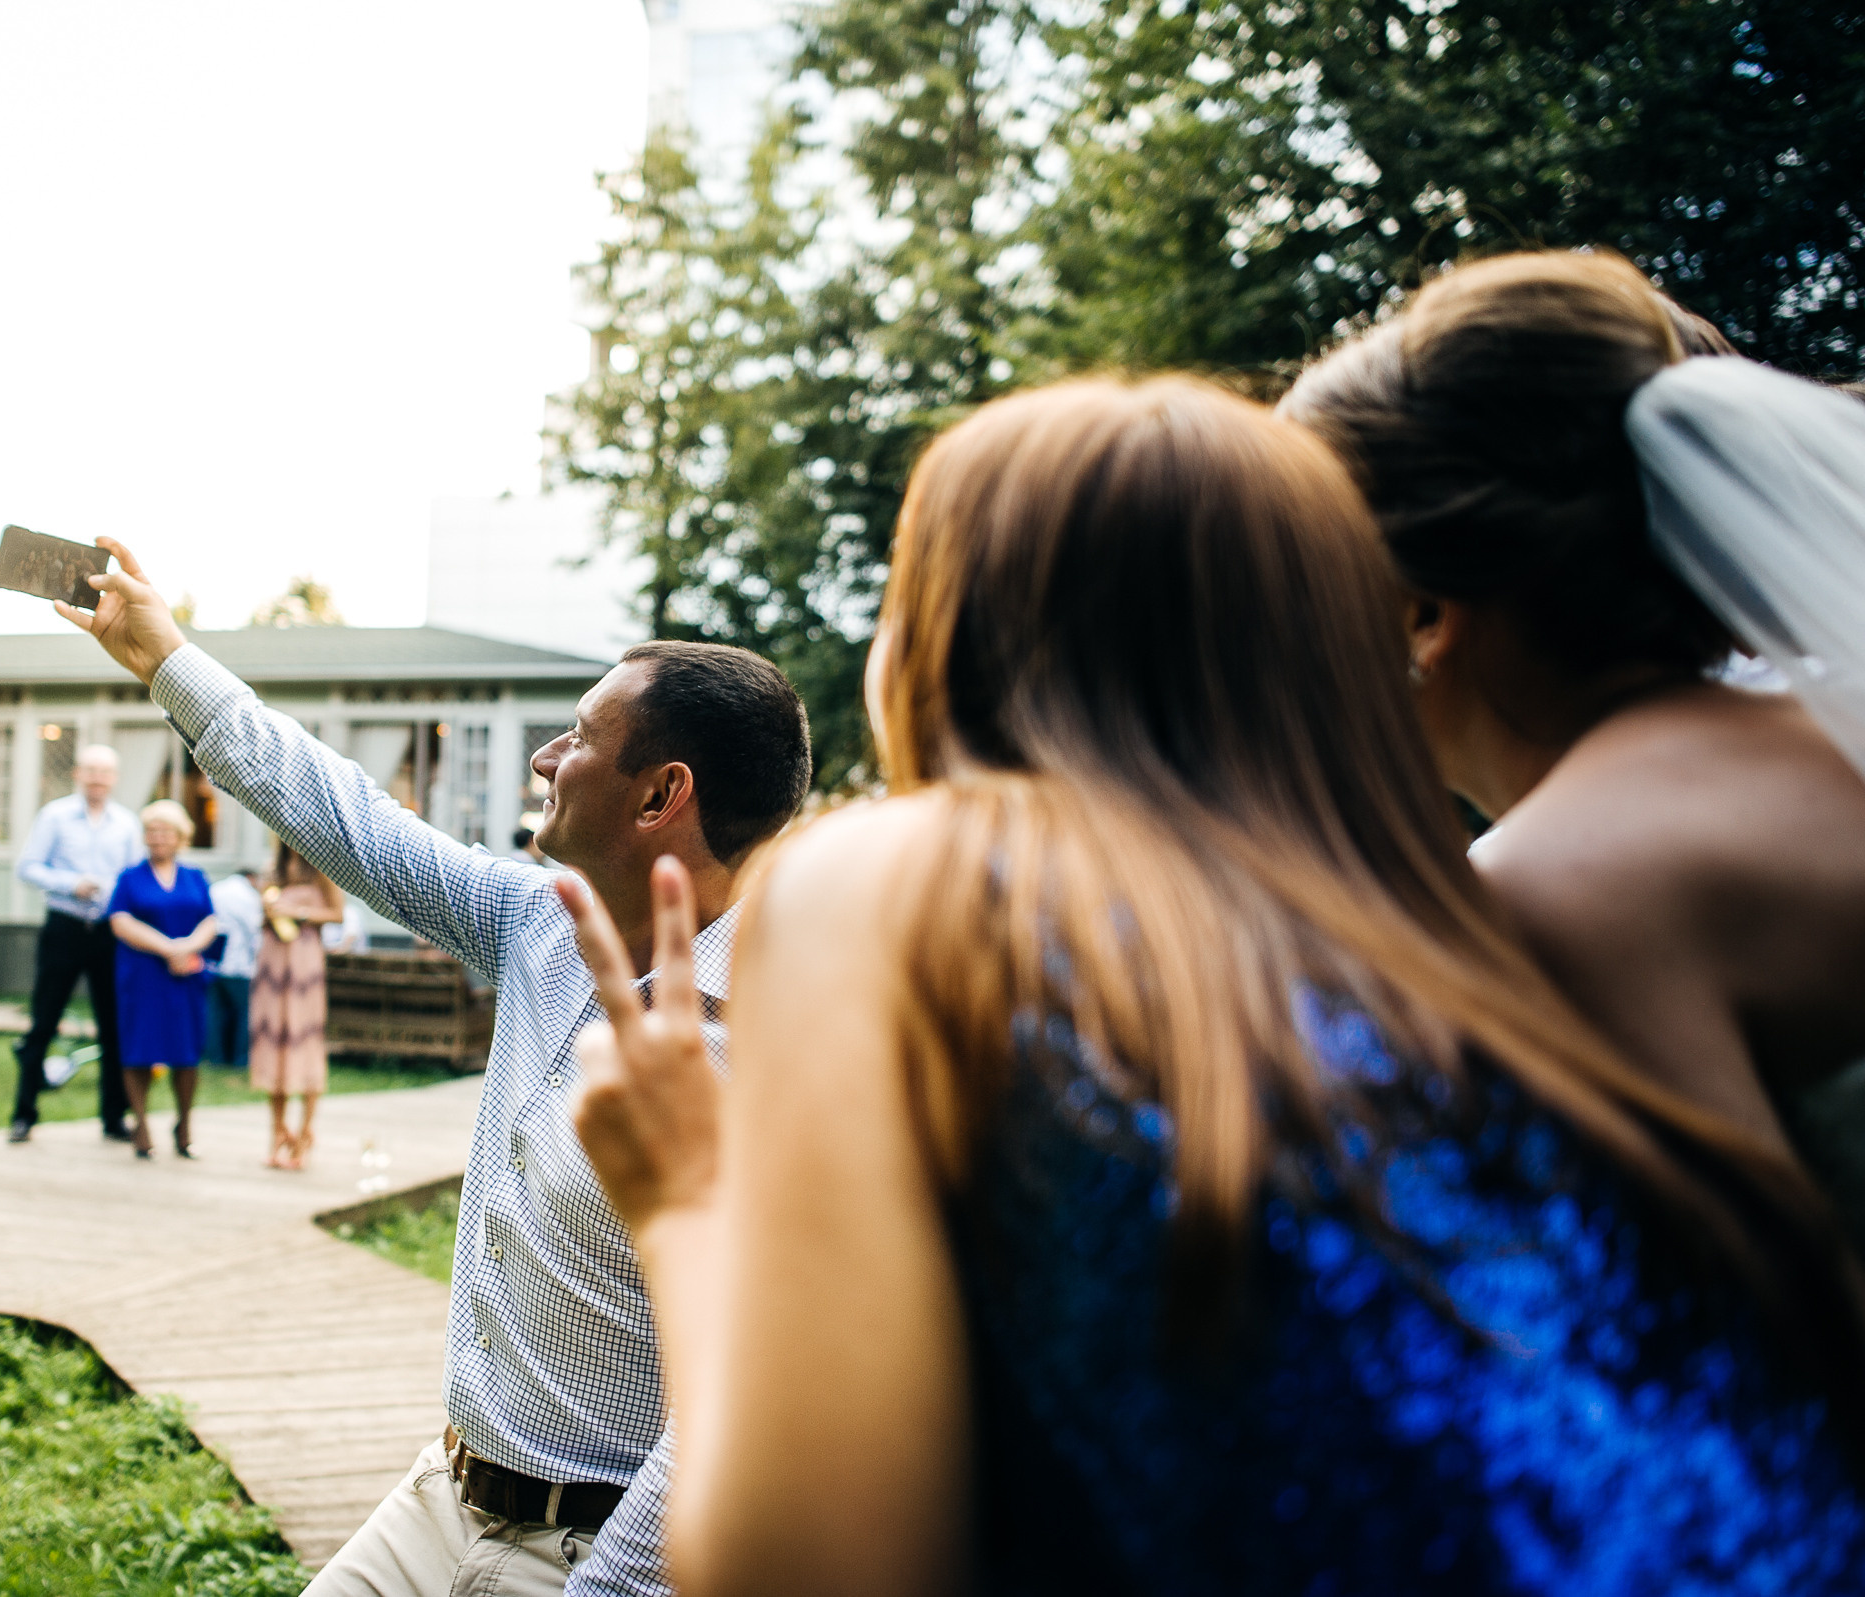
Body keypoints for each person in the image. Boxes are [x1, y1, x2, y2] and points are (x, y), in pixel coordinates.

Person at [558, 378, 1865, 1596]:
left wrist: (686, 1198)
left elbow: (810, 1571)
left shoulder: (902, 881)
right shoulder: (1485, 944)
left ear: (937, 646)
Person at [54, 535, 811, 1597]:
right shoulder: (535, 923)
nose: (546, 757)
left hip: (602, 1558)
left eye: (580, 737)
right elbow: (349, 818)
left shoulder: (774, 1051)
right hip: (442, 1502)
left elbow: (733, 1399)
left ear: (660, 795)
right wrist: (165, 652)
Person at [1279, 251, 1865, 1236]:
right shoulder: (1827, 720)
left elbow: (1762, 1328)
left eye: (1310, 585)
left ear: (1423, 614)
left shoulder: (1547, 887)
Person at [10, 745, 142, 1144]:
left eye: (105, 772)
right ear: (78, 774)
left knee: (114, 1027)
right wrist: (71, 884)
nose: (98, 778)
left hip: (107, 932)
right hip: (64, 927)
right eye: (91, 770)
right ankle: (23, 1115)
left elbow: (133, 878)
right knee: (44, 1022)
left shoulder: (127, 823)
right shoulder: (54, 815)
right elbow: (27, 867)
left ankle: (114, 1118)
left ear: (115, 778)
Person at [106, 799, 221, 1160]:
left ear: (180, 836)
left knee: (185, 1052)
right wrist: (167, 948)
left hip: (184, 977)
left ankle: (184, 1124)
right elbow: (120, 921)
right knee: (139, 1049)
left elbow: (210, 921)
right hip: (142, 976)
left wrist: (186, 948)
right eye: (151, 831)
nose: (157, 838)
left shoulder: (194, 877)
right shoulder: (129, 878)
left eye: (165, 831)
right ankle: (140, 1123)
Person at [251, 839, 345, 1171]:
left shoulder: (322, 865)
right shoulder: (273, 869)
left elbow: (338, 914)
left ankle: (306, 1131)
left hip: (304, 963)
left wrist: (298, 912)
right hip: (274, 960)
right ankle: (277, 1131)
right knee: (273, 1041)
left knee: (303, 1041)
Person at [206, 863, 264, 1071]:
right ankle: (239, 1059)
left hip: (214, 962)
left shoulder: (215, 890)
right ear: (251, 877)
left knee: (215, 1013)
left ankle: (215, 1057)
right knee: (243, 1014)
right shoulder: (248, 897)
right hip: (240, 965)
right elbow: (254, 931)